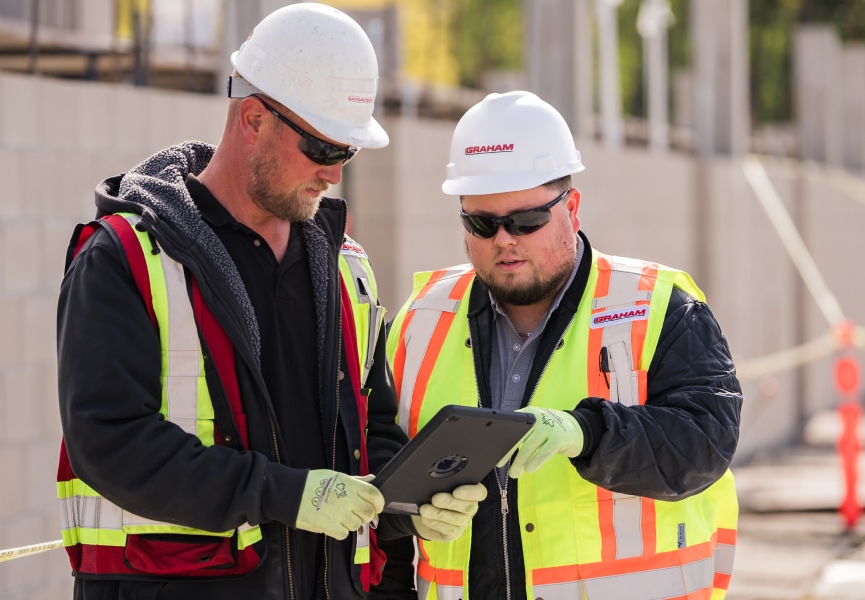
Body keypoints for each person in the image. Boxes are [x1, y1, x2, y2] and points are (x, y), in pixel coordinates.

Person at [55, 4, 482, 599]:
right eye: (321, 151)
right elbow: (111, 442)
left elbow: (372, 429)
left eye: (347, 154)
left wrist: (407, 506)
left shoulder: (346, 269)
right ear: (253, 119)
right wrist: (285, 494)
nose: (334, 176)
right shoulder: (125, 260)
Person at [373, 90, 743, 600]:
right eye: (482, 223)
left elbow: (705, 442)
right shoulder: (418, 321)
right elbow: (377, 488)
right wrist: (405, 519)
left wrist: (585, 432)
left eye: (526, 221)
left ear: (571, 206)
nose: (504, 239)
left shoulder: (659, 306)